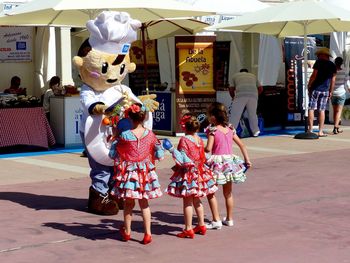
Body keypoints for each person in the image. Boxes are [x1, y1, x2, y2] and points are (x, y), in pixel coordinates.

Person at [109, 103, 164, 245]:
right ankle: (147, 234)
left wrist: (114, 138)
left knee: (128, 203)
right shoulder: (150, 134)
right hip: (145, 173)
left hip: (130, 174)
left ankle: (127, 232)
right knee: (144, 204)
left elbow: (113, 155)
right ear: (143, 117)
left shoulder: (125, 135)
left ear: (130, 118)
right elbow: (159, 153)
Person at [163, 113, 218, 239]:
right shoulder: (199, 139)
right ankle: (201, 225)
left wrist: (171, 149)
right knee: (197, 199)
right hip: (199, 172)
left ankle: (188, 228)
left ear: (184, 127)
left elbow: (182, 159)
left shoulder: (184, 140)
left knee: (187, 201)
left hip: (189, 173)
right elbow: (202, 155)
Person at [204, 102, 251, 230]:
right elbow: (242, 145)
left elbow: (208, 148)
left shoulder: (212, 130)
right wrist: (247, 160)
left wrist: (199, 148)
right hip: (229, 163)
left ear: (214, 117)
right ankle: (229, 219)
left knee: (210, 191)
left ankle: (216, 220)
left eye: (209, 115)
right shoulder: (230, 128)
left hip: (217, 164)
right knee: (228, 193)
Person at [307, 47, 337, 137]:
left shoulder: (318, 62)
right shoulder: (332, 65)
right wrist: (330, 91)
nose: (318, 56)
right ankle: (320, 131)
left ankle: (310, 130)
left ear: (323, 55)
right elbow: (333, 80)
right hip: (325, 91)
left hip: (315, 88)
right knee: (322, 110)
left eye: (319, 55)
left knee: (311, 108)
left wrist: (309, 85)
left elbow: (314, 75)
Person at [229, 69, 262, 137]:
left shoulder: (235, 76)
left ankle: (230, 131)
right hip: (253, 96)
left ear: (240, 72)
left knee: (235, 114)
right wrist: (255, 94)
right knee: (252, 114)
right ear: (247, 72)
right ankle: (256, 131)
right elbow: (261, 88)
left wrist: (233, 97)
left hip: (241, 95)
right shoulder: (253, 76)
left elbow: (231, 88)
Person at [331, 56, 350, 134]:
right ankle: (335, 127)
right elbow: (347, 83)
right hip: (341, 93)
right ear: (341, 63)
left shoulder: (332, 71)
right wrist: (349, 90)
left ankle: (336, 127)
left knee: (335, 111)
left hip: (333, 93)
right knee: (339, 112)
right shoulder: (344, 72)